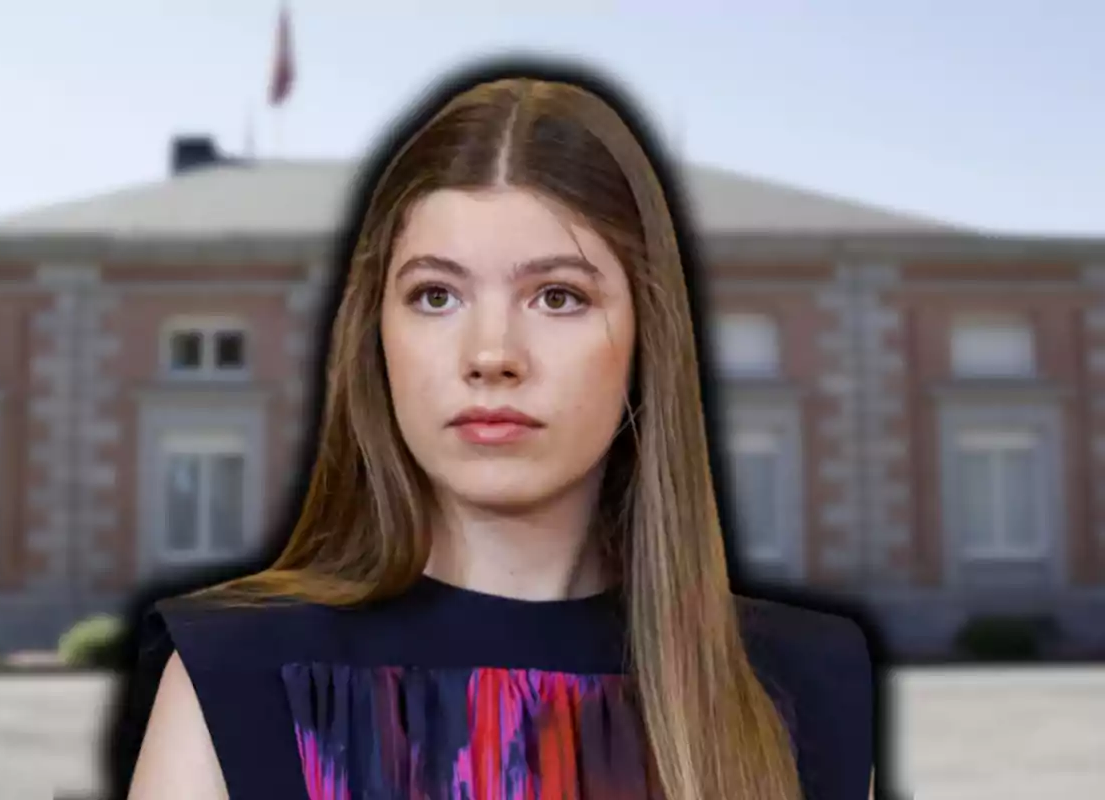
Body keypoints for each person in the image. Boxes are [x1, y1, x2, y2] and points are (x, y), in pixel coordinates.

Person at [123, 68, 876, 800]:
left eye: (557, 296)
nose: (491, 355)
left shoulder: (805, 686)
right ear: (374, 334)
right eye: (436, 295)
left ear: (650, 337)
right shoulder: (230, 671)